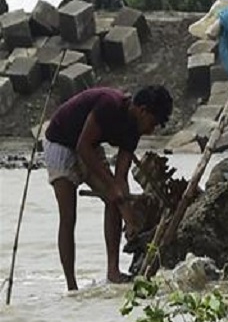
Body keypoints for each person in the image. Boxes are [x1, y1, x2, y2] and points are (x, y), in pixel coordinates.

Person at [43, 85, 173, 290]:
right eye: (153, 122)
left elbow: (121, 178)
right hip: (61, 142)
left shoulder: (134, 130)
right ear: (142, 110)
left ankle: (113, 271)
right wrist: (112, 186)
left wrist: (129, 217)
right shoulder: (109, 104)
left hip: (89, 146)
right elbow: (82, 146)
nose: (152, 130)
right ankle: (71, 285)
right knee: (68, 216)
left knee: (114, 200)